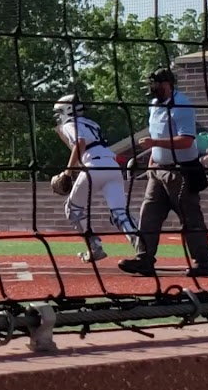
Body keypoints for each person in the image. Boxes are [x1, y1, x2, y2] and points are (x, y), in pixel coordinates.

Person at [119, 68, 208, 277]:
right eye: (152, 84)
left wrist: (155, 143)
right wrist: (153, 157)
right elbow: (157, 133)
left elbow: (186, 140)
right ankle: (144, 259)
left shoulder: (181, 105)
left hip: (181, 172)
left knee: (190, 219)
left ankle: (204, 262)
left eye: (158, 84)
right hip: (158, 171)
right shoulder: (154, 105)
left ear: (169, 84)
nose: (154, 89)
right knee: (148, 216)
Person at [53, 94, 142, 263]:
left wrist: (67, 172)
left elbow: (80, 143)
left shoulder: (69, 124)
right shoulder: (91, 123)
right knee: (120, 213)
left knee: (72, 209)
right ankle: (142, 247)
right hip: (112, 166)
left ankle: (94, 248)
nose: (58, 116)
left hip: (93, 167)